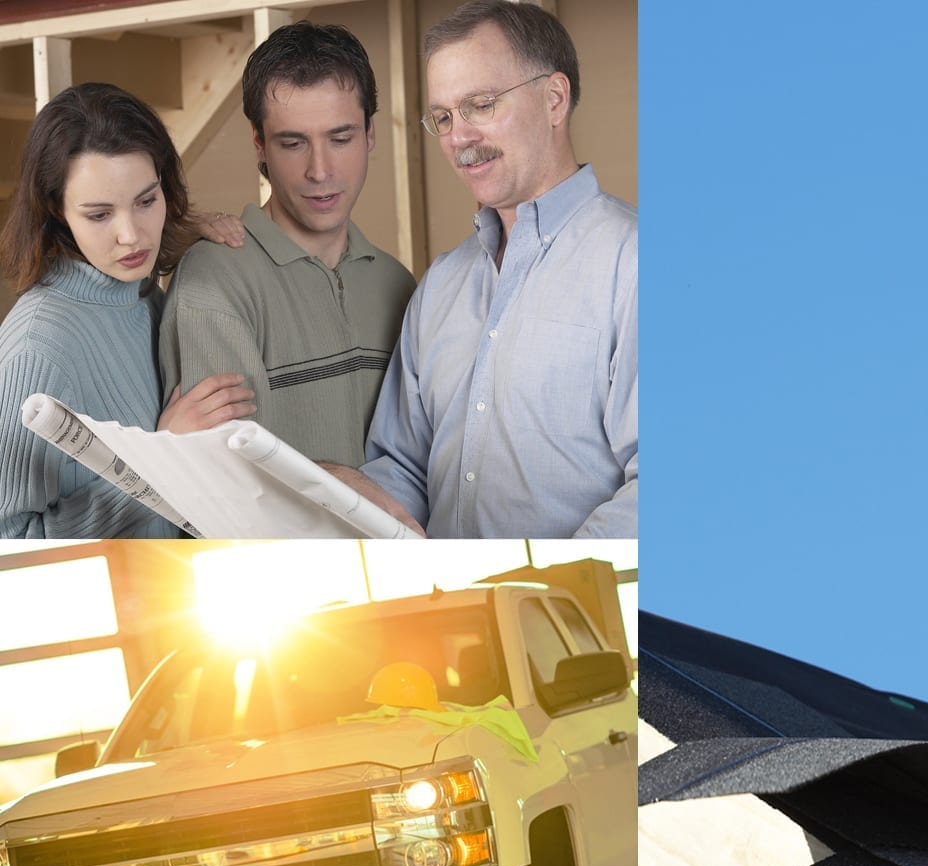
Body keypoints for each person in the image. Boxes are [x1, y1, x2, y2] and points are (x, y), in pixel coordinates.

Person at [327, 0, 636, 538]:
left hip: (579, 612)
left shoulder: (635, 265)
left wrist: (543, 587)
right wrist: (329, 492)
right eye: (443, 117)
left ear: (555, 98)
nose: (457, 138)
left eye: (480, 105)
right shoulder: (441, 284)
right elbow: (404, 468)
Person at [0, 83, 256, 539]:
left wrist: (182, 235)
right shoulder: (38, 348)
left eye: (146, 200)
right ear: (56, 210)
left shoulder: (141, 292)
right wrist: (164, 457)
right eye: (99, 215)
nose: (132, 236)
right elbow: (14, 545)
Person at [158, 22, 416, 469]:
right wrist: (341, 484)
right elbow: (224, 485)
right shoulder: (214, 285)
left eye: (341, 138)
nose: (320, 170)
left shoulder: (398, 285)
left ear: (370, 133)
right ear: (259, 144)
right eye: (293, 143)